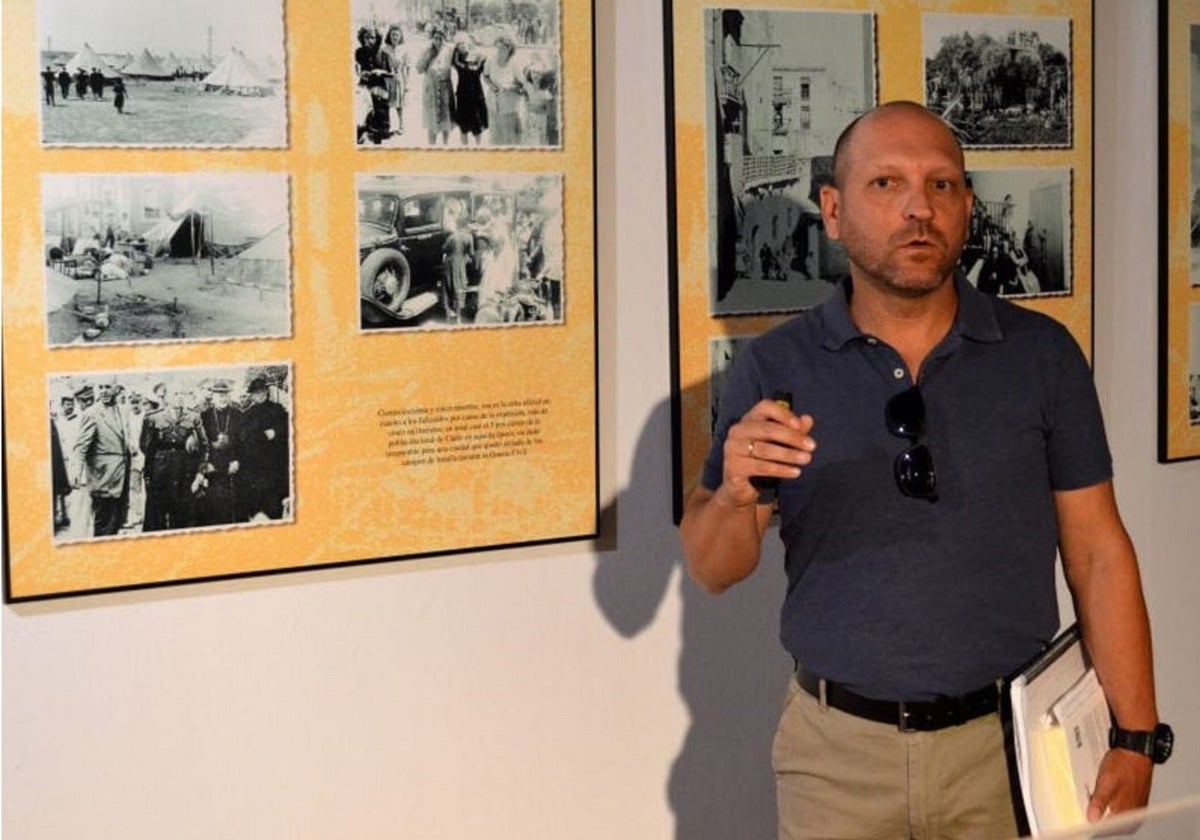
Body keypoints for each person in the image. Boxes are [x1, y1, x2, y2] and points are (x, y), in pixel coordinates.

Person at [679, 101, 1166, 840]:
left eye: (942, 185)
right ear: (834, 212)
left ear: (967, 207)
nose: (918, 208)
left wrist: (1135, 736)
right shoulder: (777, 368)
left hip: (1006, 751)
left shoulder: (1041, 356)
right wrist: (734, 492)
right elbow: (715, 567)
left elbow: (1097, 550)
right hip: (837, 757)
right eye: (886, 184)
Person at [140, 383, 206, 532]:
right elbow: (145, 446)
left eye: (183, 394)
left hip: (184, 474)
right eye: (176, 394)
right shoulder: (153, 418)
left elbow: (204, 447)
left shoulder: (194, 417)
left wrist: (200, 473)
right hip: (160, 475)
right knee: (156, 519)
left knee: (182, 519)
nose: (179, 398)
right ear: (167, 396)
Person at [70, 377, 131, 537]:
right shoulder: (92, 414)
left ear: (116, 389)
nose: (103, 391)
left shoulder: (123, 410)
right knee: (104, 523)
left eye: (107, 387)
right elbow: (81, 446)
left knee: (116, 522)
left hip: (121, 476)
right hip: (102, 478)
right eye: (101, 387)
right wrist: (76, 469)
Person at [238, 377, 290, 521]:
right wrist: (264, 435)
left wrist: (275, 432)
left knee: (274, 507)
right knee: (256, 508)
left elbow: (286, 430)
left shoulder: (278, 410)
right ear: (252, 395)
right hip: (254, 467)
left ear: (266, 392)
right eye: (256, 393)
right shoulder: (246, 415)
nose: (260, 395)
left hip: (274, 465)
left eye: (262, 392)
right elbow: (244, 439)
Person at [197, 380, 243, 526]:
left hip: (232, 465)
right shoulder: (204, 416)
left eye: (225, 395)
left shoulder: (238, 415)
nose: (222, 398)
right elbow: (200, 444)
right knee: (212, 508)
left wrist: (237, 461)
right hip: (212, 465)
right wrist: (204, 466)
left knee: (232, 509)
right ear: (213, 396)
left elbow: (244, 443)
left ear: (229, 396)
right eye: (219, 395)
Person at [415, 24, 456, 145]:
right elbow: (418, 69)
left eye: (441, 38)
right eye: (436, 37)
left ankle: (445, 146)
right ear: (432, 37)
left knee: (446, 121)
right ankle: (431, 148)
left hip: (445, 89)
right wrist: (429, 56)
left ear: (445, 37)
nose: (438, 41)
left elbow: (459, 61)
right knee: (432, 122)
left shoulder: (450, 50)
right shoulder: (426, 49)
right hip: (431, 89)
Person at [355, 27, 392, 145]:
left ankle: (378, 139)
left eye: (372, 38)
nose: (369, 40)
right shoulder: (359, 52)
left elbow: (391, 73)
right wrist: (361, 73)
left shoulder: (384, 55)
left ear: (377, 39)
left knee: (379, 119)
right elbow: (358, 69)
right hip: (365, 86)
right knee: (363, 116)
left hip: (379, 87)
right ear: (362, 39)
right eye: (366, 38)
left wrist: (381, 72)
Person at [452, 40, 488, 145]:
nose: (463, 46)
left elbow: (485, 61)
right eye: (460, 46)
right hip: (463, 97)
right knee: (463, 128)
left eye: (465, 43)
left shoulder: (479, 59)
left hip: (476, 95)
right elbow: (455, 61)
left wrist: (479, 56)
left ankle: (478, 149)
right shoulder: (458, 61)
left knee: (477, 126)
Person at [441, 213, 475, 321]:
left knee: (448, 287)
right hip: (460, 264)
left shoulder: (452, 236)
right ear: (467, 224)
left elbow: (444, 249)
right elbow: (472, 253)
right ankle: (459, 317)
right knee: (459, 287)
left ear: (458, 224)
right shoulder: (469, 237)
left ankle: (448, 314)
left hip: (449, 263)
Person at [379, 24, 409, 135]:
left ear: (400, 36)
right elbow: (381, 65)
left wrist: (407, 84)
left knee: (399, 104)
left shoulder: (404, 50)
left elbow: (407, 67)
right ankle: (386, 126)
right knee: (386, 104)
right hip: (387, 80)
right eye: (393, 34)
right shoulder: (384, 50)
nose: (395, 37)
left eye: (397, 35)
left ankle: (401, 125)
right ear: (389, 36)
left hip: (399, 79)